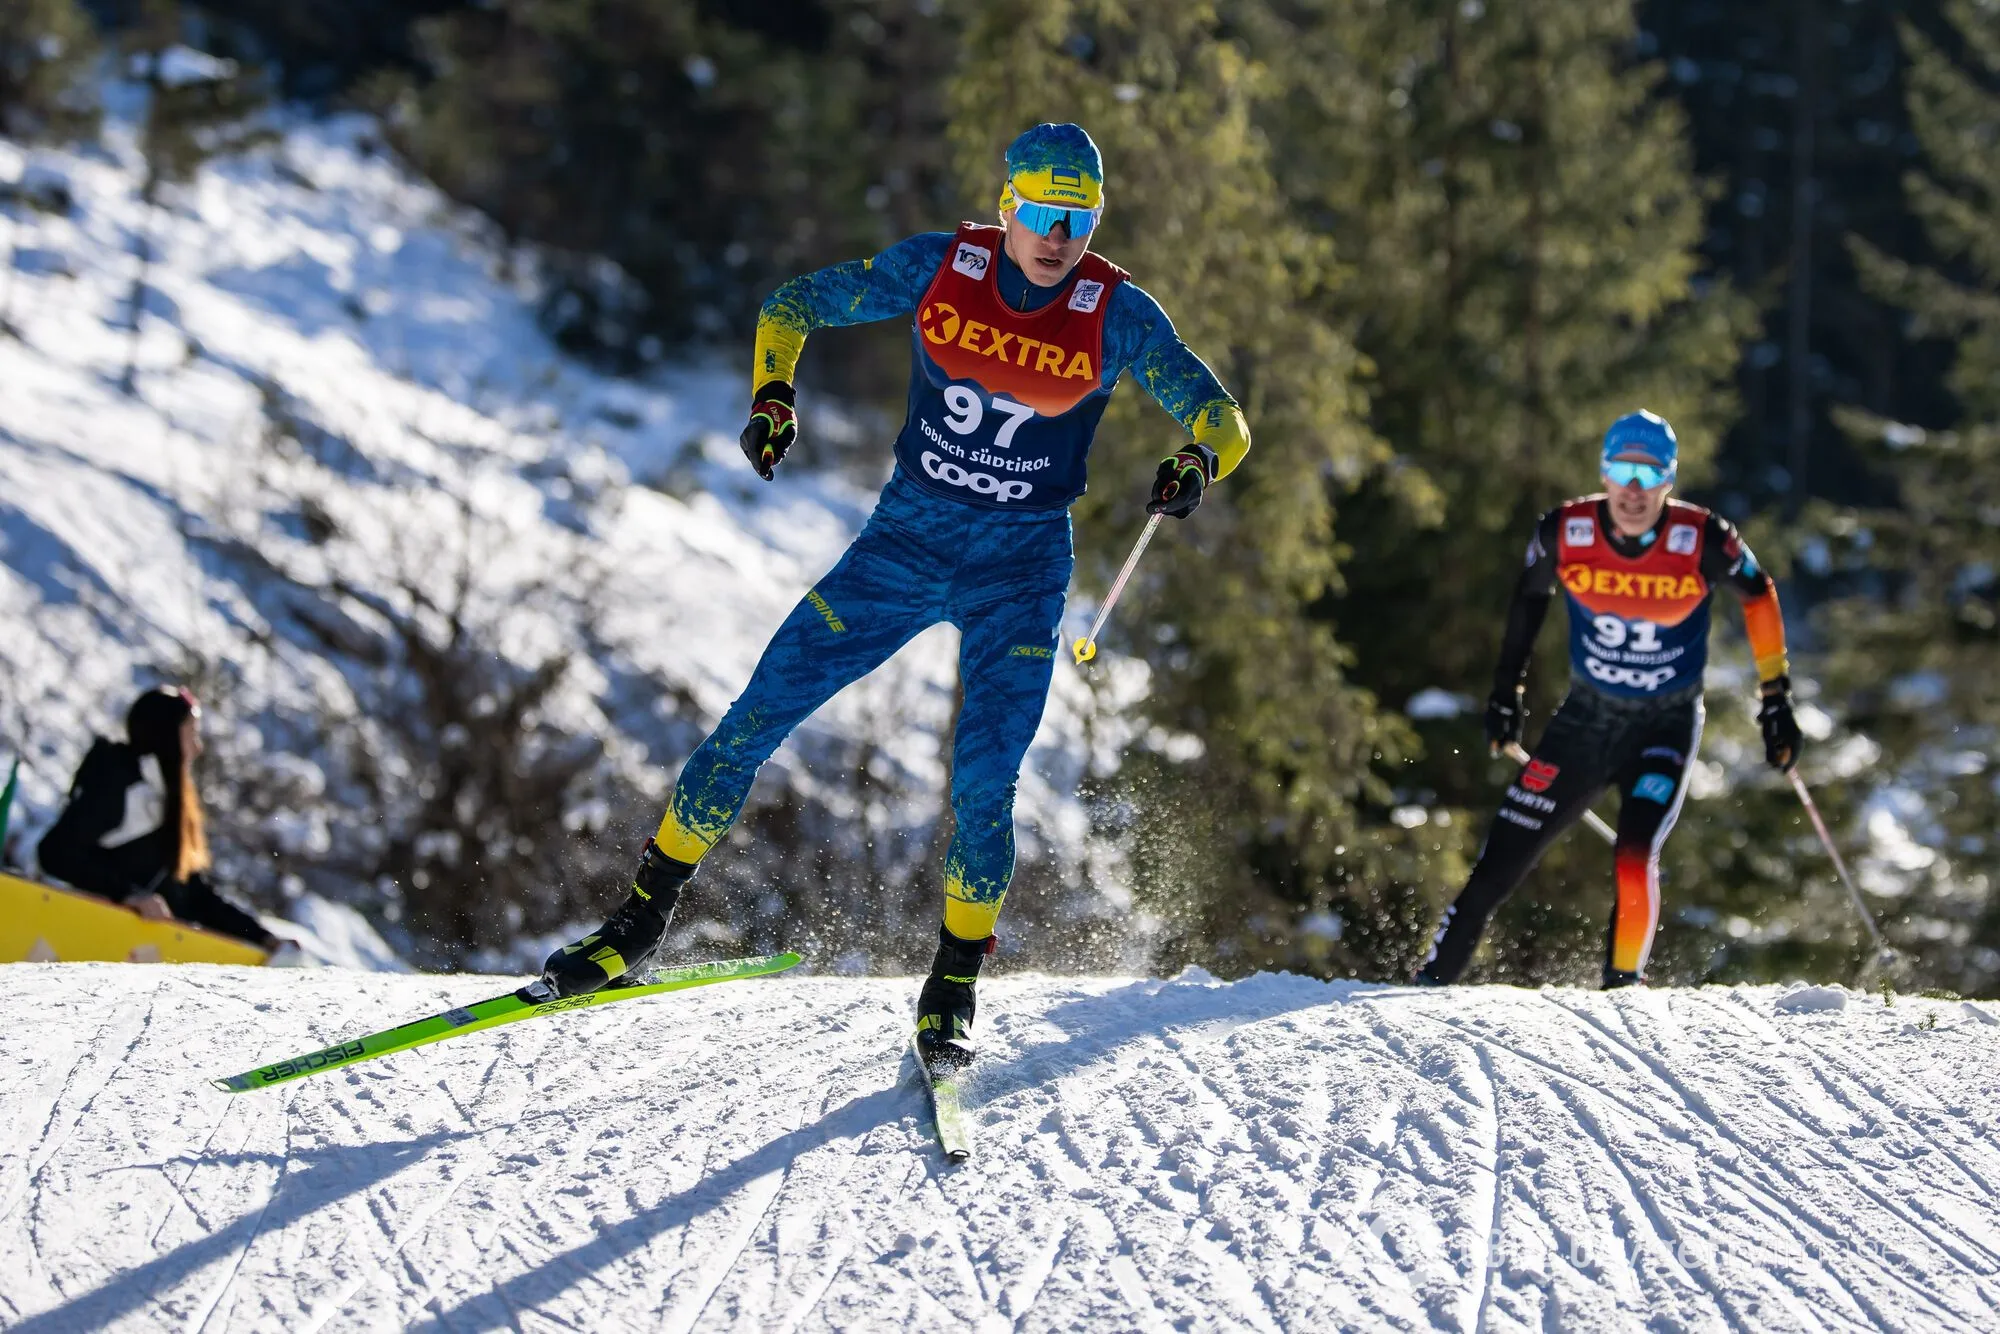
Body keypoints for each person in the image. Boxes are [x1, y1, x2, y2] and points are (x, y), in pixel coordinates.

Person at [542, 123, 1251, 1066]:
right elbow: (792, 306)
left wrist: (1197, 461)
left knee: (986, 786)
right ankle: (634, 929)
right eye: (1041, 213)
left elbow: (1223, 415)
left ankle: (952, 986)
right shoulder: (940, 268)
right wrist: (772, 398)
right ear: (1008, 209)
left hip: (1021, 568)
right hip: (903, 545)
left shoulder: (1114, 312)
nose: (1058, 236)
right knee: (754, 719)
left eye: (1078, 219)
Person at [1415, 411, 1802, 988]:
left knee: (1634, 850)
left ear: (1669, 480)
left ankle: (1622, 992)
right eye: (1623, 469)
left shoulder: (1701, 538)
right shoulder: (1564, 531)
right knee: (1499, 862)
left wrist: (1775, 698)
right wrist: (1505, 690)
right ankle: (1429, 984)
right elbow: (1528, 597)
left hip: (1664, 726)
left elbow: (1759, 593)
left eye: (1650, 473)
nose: (1635, 488)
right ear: (1604, 472)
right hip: (1586, 723)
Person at [37, 685, 284, 952]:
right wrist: (129, 895)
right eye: (192, 733)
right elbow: (55, 852)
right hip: (76, 943)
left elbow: (193, 894)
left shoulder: (163, 798)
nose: (198, 748)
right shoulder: (121, 784)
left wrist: (263, 938)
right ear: (167, 736)